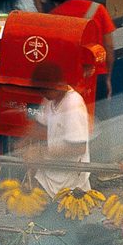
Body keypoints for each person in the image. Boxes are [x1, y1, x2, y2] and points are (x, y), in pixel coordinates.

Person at [25, 62, 91, 199]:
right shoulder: (49, 100)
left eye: (45, 90)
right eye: (40, 90)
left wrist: (42, 152)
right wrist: (23, 143)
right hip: (50, 171)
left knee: (62, 217)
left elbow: (79, 148)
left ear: (58, 84)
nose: (42, 94)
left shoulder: (73, 104)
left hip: (70, 178)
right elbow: (40, 124)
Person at [48, 0, 115, 99]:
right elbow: (109, 48)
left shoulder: (52, 16)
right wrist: (107, 78)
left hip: (67, 80)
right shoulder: (98, 9)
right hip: (96, 77)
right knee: (100, 118)